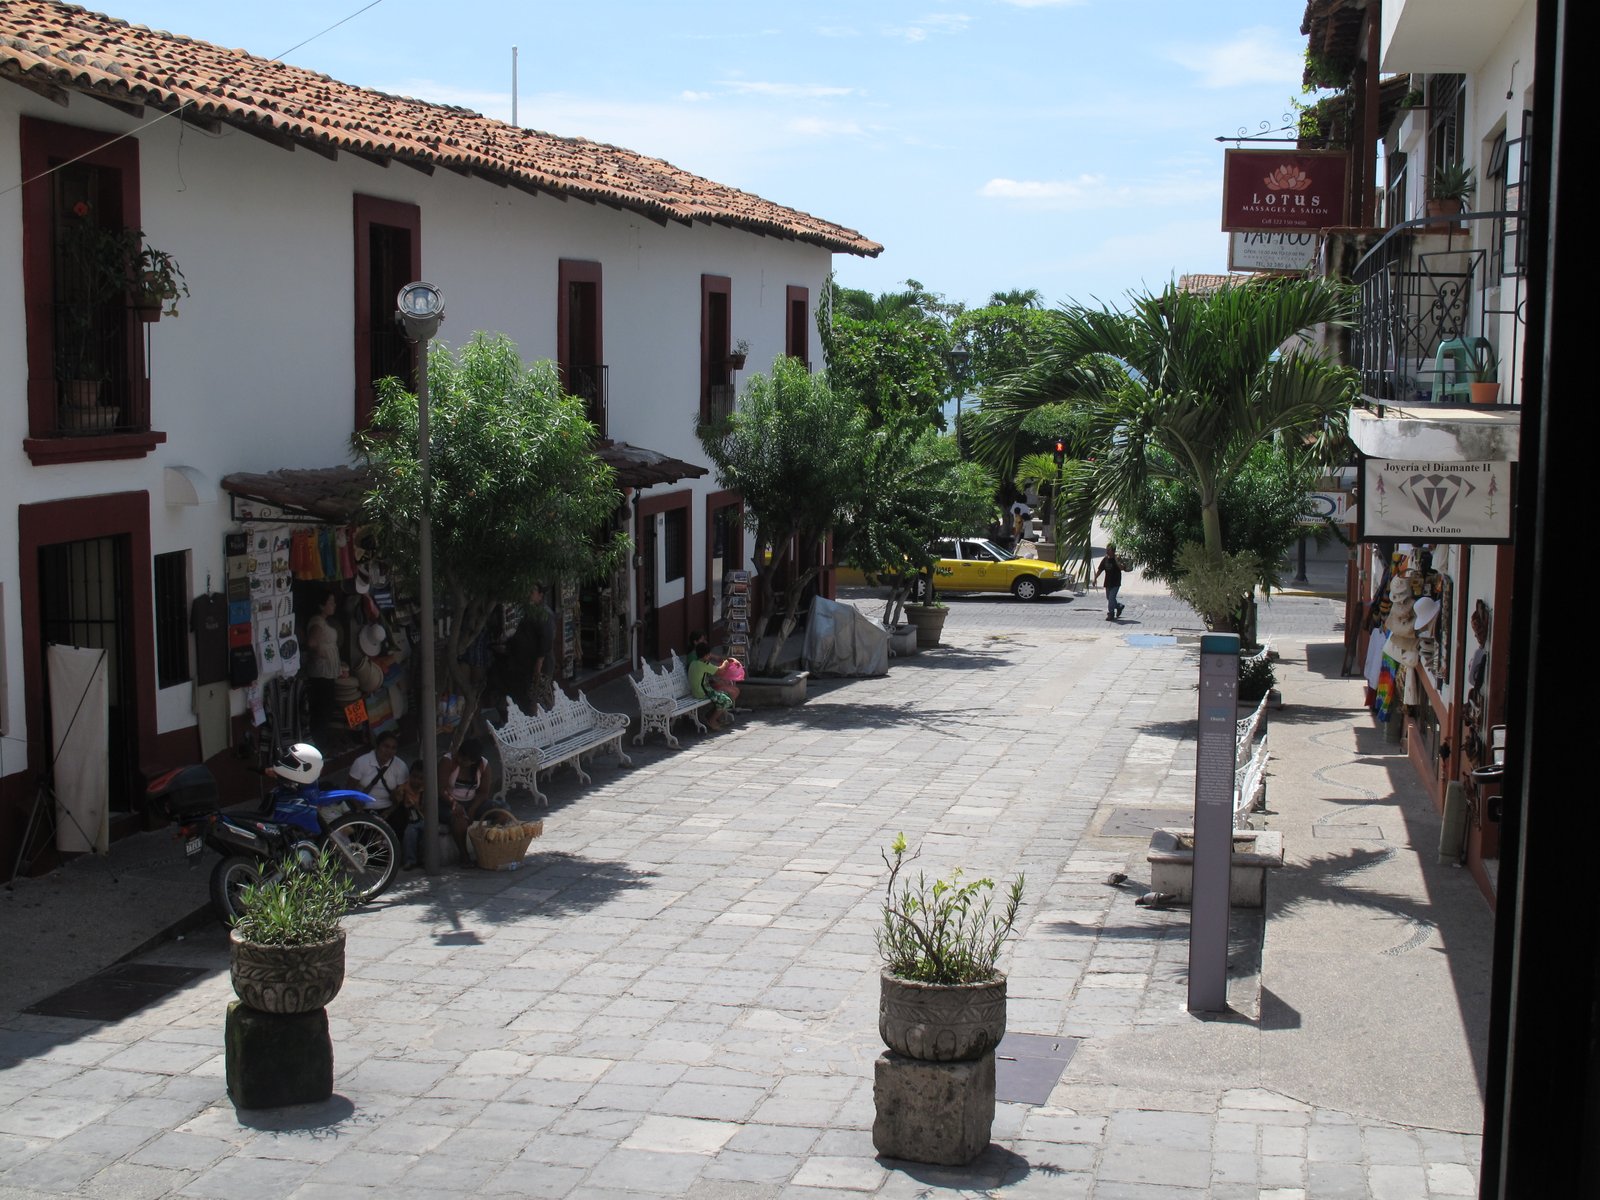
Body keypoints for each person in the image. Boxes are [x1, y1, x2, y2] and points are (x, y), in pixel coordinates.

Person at [440, 738, 507, 864]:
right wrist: (454, 803)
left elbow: (483, 793)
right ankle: (464, 854)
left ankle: (487, 846)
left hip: (472, 802)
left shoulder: (484, 766)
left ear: (473, 761)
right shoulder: (448, 761)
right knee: (459, 821)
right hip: (448, 803)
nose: (461, 761)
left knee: (503, 811)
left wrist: (472, 809)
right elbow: (441, 789)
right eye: (460, 756)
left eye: (465, 760)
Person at [348, 730, 409, 830]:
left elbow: (401, 797)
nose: (389, 751)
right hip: (364, 807)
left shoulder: (400, 766)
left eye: (393, 748)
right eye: (386, 746)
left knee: (400, 820)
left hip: (389, 808)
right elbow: (349, 789)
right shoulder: (361, 762)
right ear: (377, 746)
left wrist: (389, 811)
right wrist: (360, 810)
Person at [687, 637, 737, 731]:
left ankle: (715, 718)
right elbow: (720, 671)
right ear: (706, 655)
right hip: (702, 693)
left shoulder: (694, 663)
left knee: (721, 694)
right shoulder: (704, 665)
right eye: (709, 654)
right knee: (726, 700)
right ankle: (712, 720)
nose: (710, 656)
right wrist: (726, 662)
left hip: (696, 691)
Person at [393, 759, 427, 869]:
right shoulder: (404, 788)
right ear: (410, 775)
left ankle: (424, 859)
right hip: (409, 820)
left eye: (421, 778)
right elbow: (395, 802)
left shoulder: (426, 790)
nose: (417, 781)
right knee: (409, 833)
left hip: (423, 819)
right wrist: (397, 796)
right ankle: (410, 860)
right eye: (414, 777)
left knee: (427, 834)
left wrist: (417, 805)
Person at [1094, 544, 1126, 621]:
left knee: (1111, 598)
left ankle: (1111, 614)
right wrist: (1095, 578)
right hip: (1108, 582)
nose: (1107, 551)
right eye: (1107, 549)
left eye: (1109, 550)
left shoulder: (1117, 558)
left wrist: (1116, 560)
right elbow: (1100, 570)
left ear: (1113, 551)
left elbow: (1122, 568)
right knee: (1109, 598)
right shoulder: (1105, 559)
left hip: (1116, 582)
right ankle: (1119, 606)